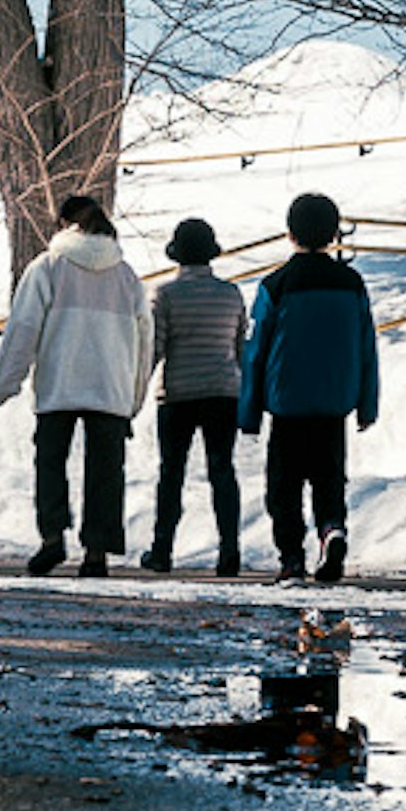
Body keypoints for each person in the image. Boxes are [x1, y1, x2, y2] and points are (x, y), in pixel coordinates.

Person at [0, 188, 151, 572]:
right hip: (111, 387)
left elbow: (23, 329)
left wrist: (5, 384)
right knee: (106, 472)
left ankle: (52, 538)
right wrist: (134, 397)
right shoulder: (126, 276)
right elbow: (144, 342)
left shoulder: (48, 267)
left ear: (64, 224)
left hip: (58, 384)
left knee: (50, 462)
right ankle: (97, 552)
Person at [240, 185, 378, 582]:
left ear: (290, 233)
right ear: (335, 235)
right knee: (329, 478)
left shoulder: (276, 285)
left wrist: (249, 410)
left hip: (286, 402)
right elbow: (367, 346)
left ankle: (291, 558)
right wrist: (366, 404)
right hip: (335, 401)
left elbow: (256, 351)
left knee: (283, 487)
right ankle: (331, 529)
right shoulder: (352, 285)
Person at [144, 213, 248, 576]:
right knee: (222, 469)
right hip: (223, 392)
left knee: (171, 472)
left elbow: (155, 347)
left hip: (178, 394)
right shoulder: (230, 294)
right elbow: (239, 348)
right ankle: (230, 550)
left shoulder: (166, 294)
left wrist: (137, 388)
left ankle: (162, 549)